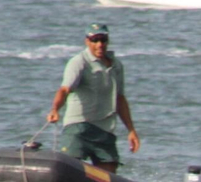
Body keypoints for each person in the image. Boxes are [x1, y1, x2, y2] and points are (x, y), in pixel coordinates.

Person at [47, 23, 139, 172]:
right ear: (87, 41)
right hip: (79, 126)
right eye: (95, 40)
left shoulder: (116, 65)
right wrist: (55, 109)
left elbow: (120, 99)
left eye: (103, 40)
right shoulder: (79, 62)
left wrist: (131, 130)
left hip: (105, 129)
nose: (99, 44)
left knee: (109, 176)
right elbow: (64, 89)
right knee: (69, 169)